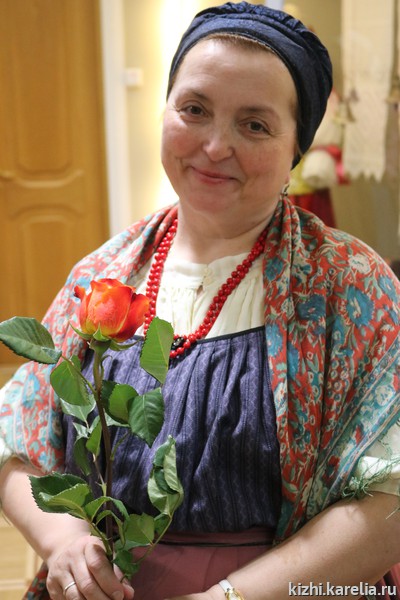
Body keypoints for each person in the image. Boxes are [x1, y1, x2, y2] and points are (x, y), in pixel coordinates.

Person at [0, 3, 399, 599]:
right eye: (194, 109)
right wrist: (63, 542)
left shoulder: (351, 287)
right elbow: (15, 439)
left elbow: (390, 496)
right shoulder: (102, 276)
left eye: (254, 125)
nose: (214, 146)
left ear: (296, 147)